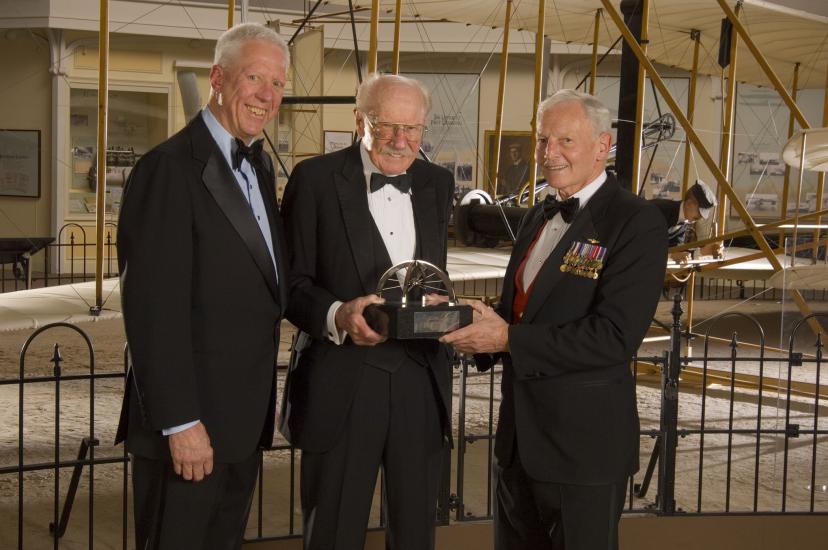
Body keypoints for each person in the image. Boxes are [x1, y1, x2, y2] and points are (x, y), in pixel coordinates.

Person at [441, 89, 667, 550]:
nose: (548, 154)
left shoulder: (635, 222)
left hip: (583, 451)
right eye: (544, 140)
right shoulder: (539, 215)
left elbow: (613, 338)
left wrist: (507, 339)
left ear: (603, 146)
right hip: (519, 444)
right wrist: (476, 319)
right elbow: (526, 309)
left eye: (565, 140)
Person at [115, 23, 289, 550]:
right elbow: (153, 311)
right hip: (189, 431)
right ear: (217, 77)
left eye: (277, 83)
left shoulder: (258, 171)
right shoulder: (167, 169)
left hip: (240, 426)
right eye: (254, 77)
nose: (266, 95)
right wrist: (180, 423)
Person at [279, 73, 454, 549]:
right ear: (360, 120)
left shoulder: (438, 183)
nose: (402, 140)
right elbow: (288, 285)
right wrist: (337, 314)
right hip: (343, 380)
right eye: (387, 126)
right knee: (334, 530)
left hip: (420, 379)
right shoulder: (313, 180)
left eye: (412, 129)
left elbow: (429, 272)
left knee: (417, 530)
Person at [651, 180, 722, 262]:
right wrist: (672, 255)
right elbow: (646, 245)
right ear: (689, 204)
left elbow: (677, 249)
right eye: (700, 211)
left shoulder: (683, 221)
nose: (701, 217)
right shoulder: (660, 210)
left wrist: (703, 251)